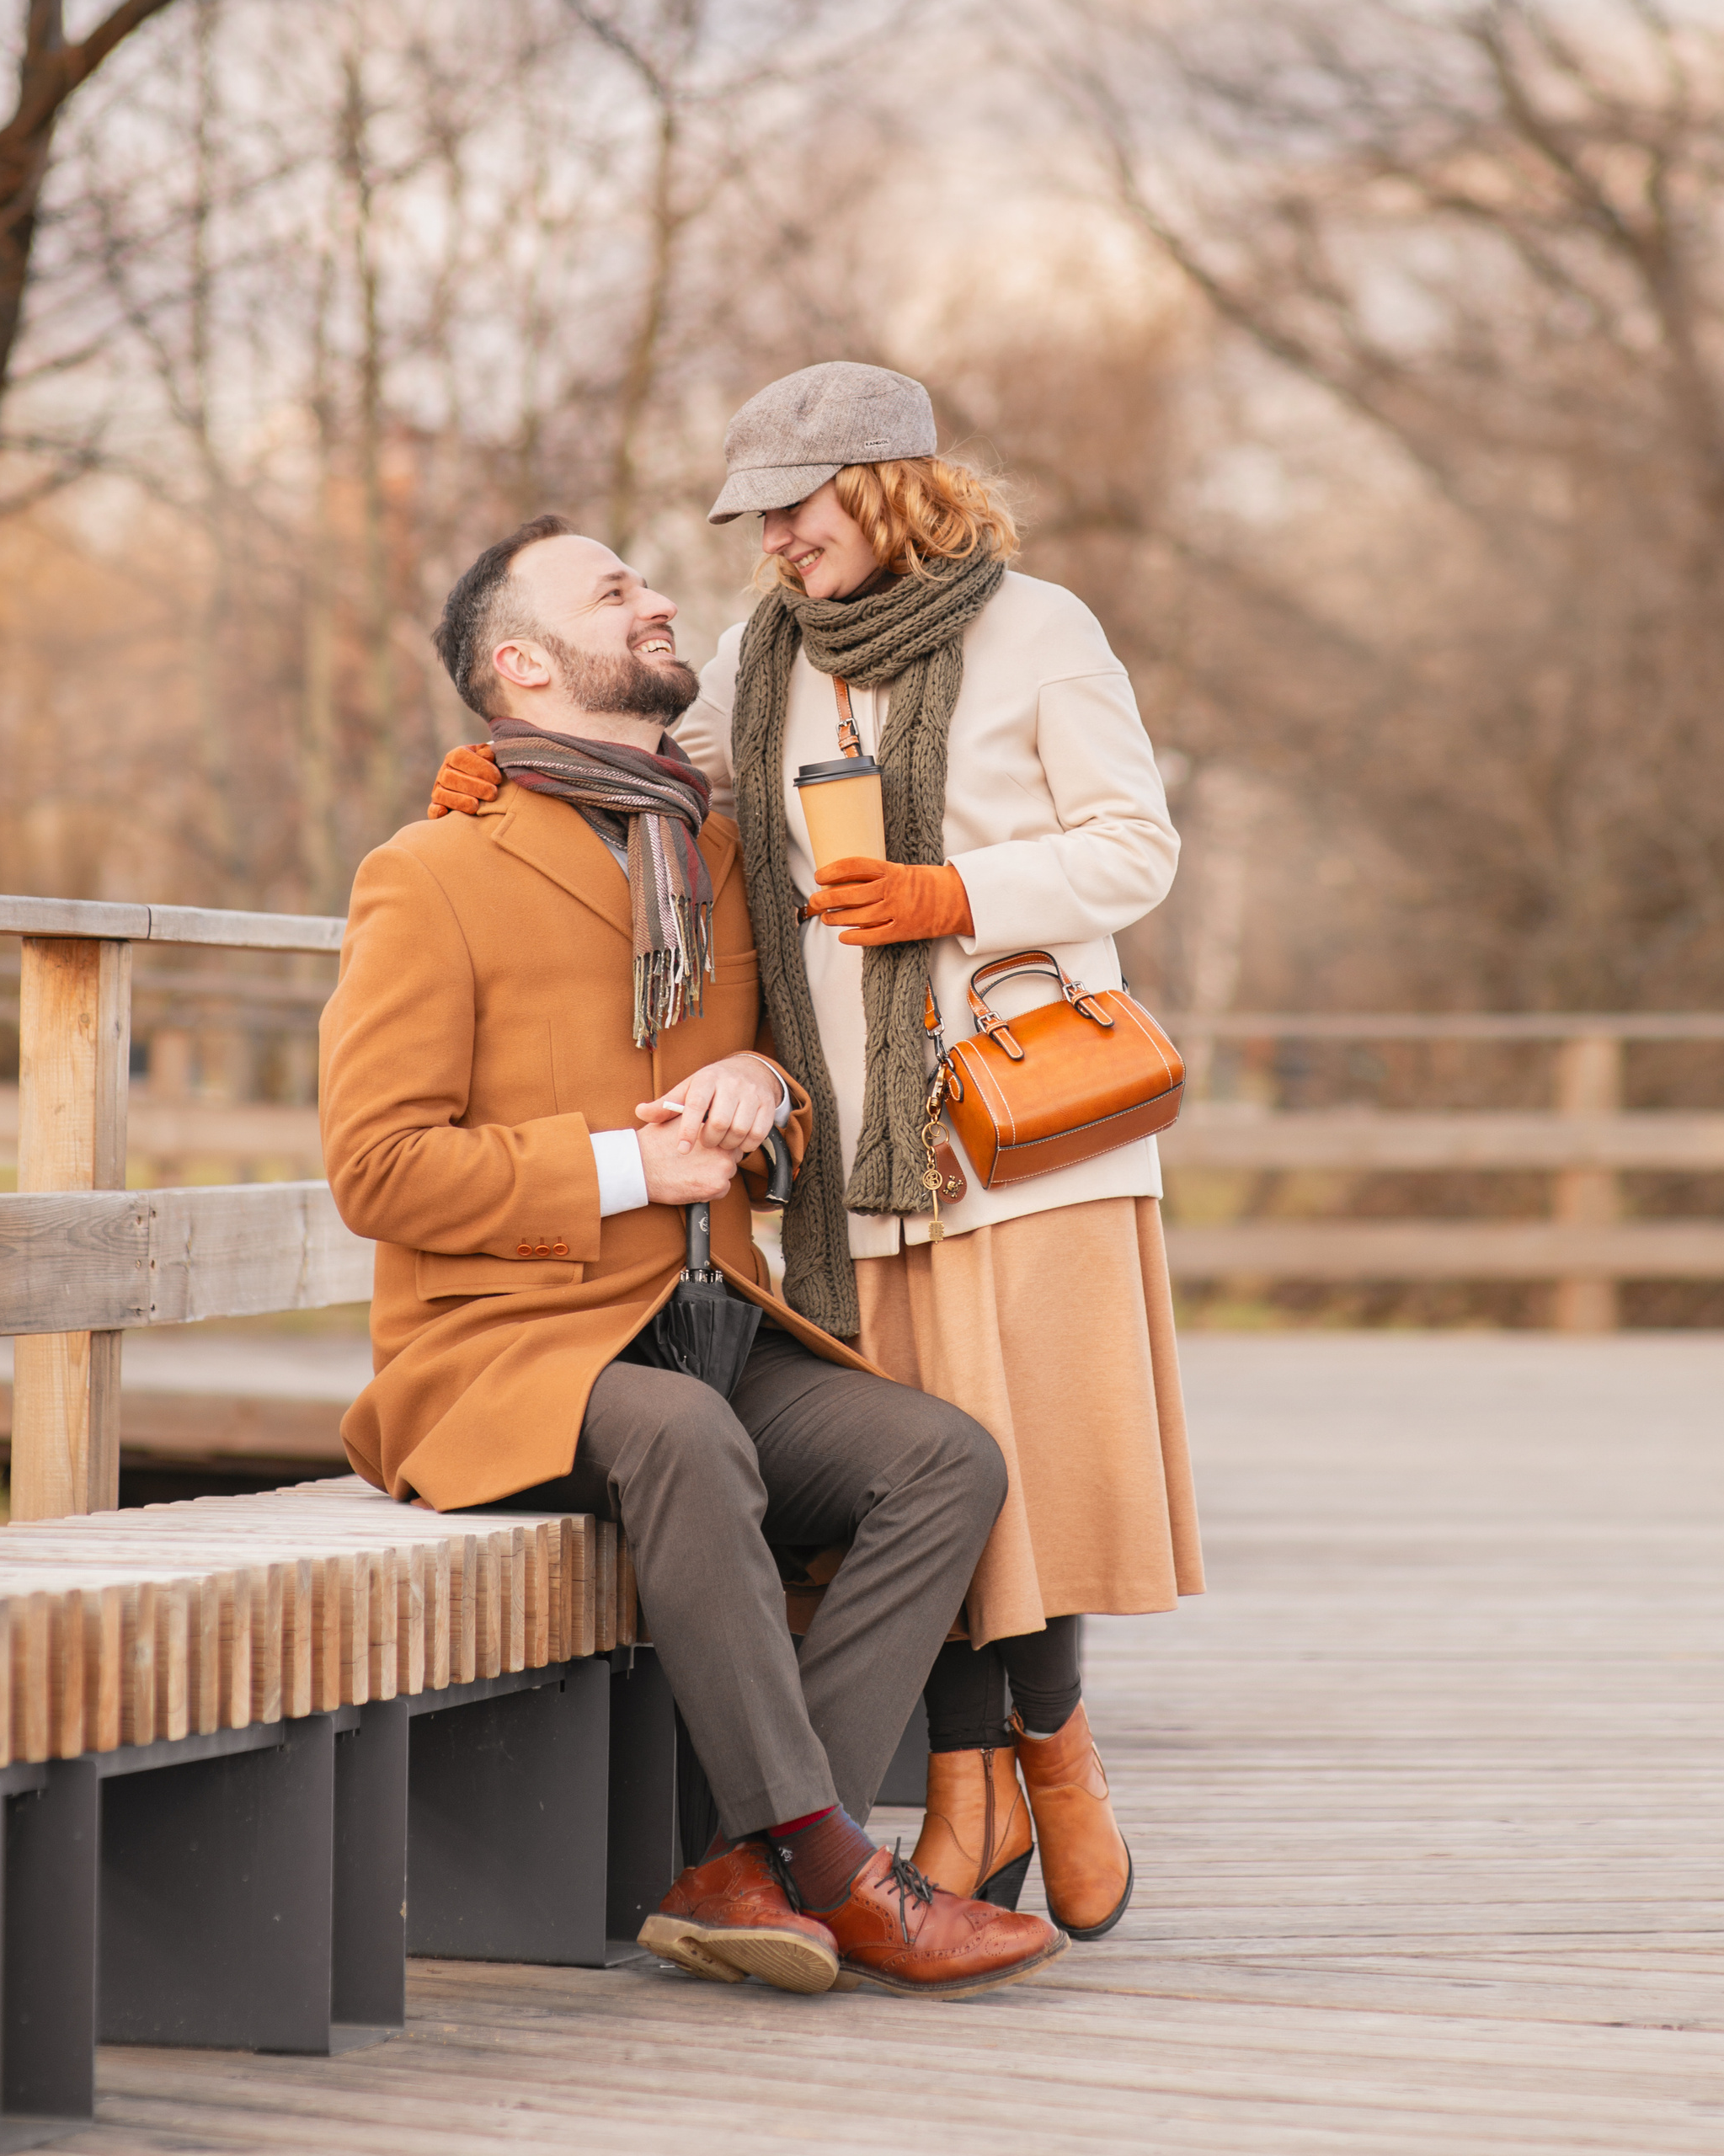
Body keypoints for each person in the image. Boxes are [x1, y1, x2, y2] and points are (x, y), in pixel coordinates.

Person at [429, 364, 1204, 1941]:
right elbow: (672, 786)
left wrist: (951, 892)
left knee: (1027, 1462)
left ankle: (1048, 1754)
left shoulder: (1035, 628)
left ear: (887, 481)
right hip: (856, 1151)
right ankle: (968, 1782)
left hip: (1023, 1120)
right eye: (755, 518)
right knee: (938, 1457)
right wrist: (498, 778)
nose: (772, 541)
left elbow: (1136, 846)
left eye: (794, 507)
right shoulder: (753, 657)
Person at [321, 513, 1065, 1999]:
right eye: (616, 591)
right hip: (512, 1353)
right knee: (684, 1437)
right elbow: (376, 1169)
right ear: (522, 665)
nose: (660, 600)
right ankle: (846, 1868)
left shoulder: (709, 848)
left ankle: (747, 1867)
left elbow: (776, 1071)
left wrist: (766, 1092)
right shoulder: (429, 872)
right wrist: (621, 1165)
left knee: (948, 1463)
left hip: (712, 1316)